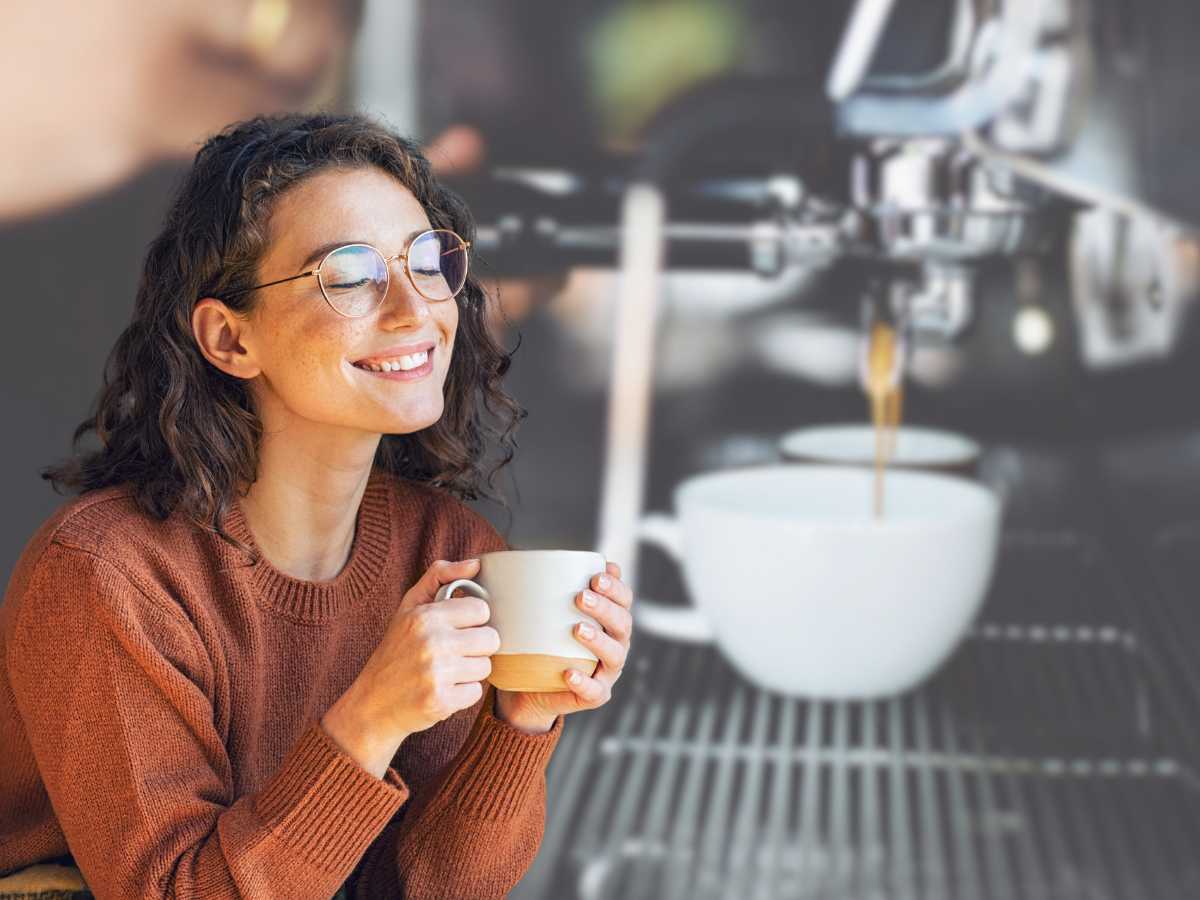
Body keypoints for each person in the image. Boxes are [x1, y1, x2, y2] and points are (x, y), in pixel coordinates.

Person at [0, 112, 635, 899]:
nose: (414, 312)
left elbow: (433, 887)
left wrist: (522, 721)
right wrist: (371, 717)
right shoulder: (109, 577)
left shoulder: (445, 546)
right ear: (231, 340)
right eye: (349, 275)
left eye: (425, 261)